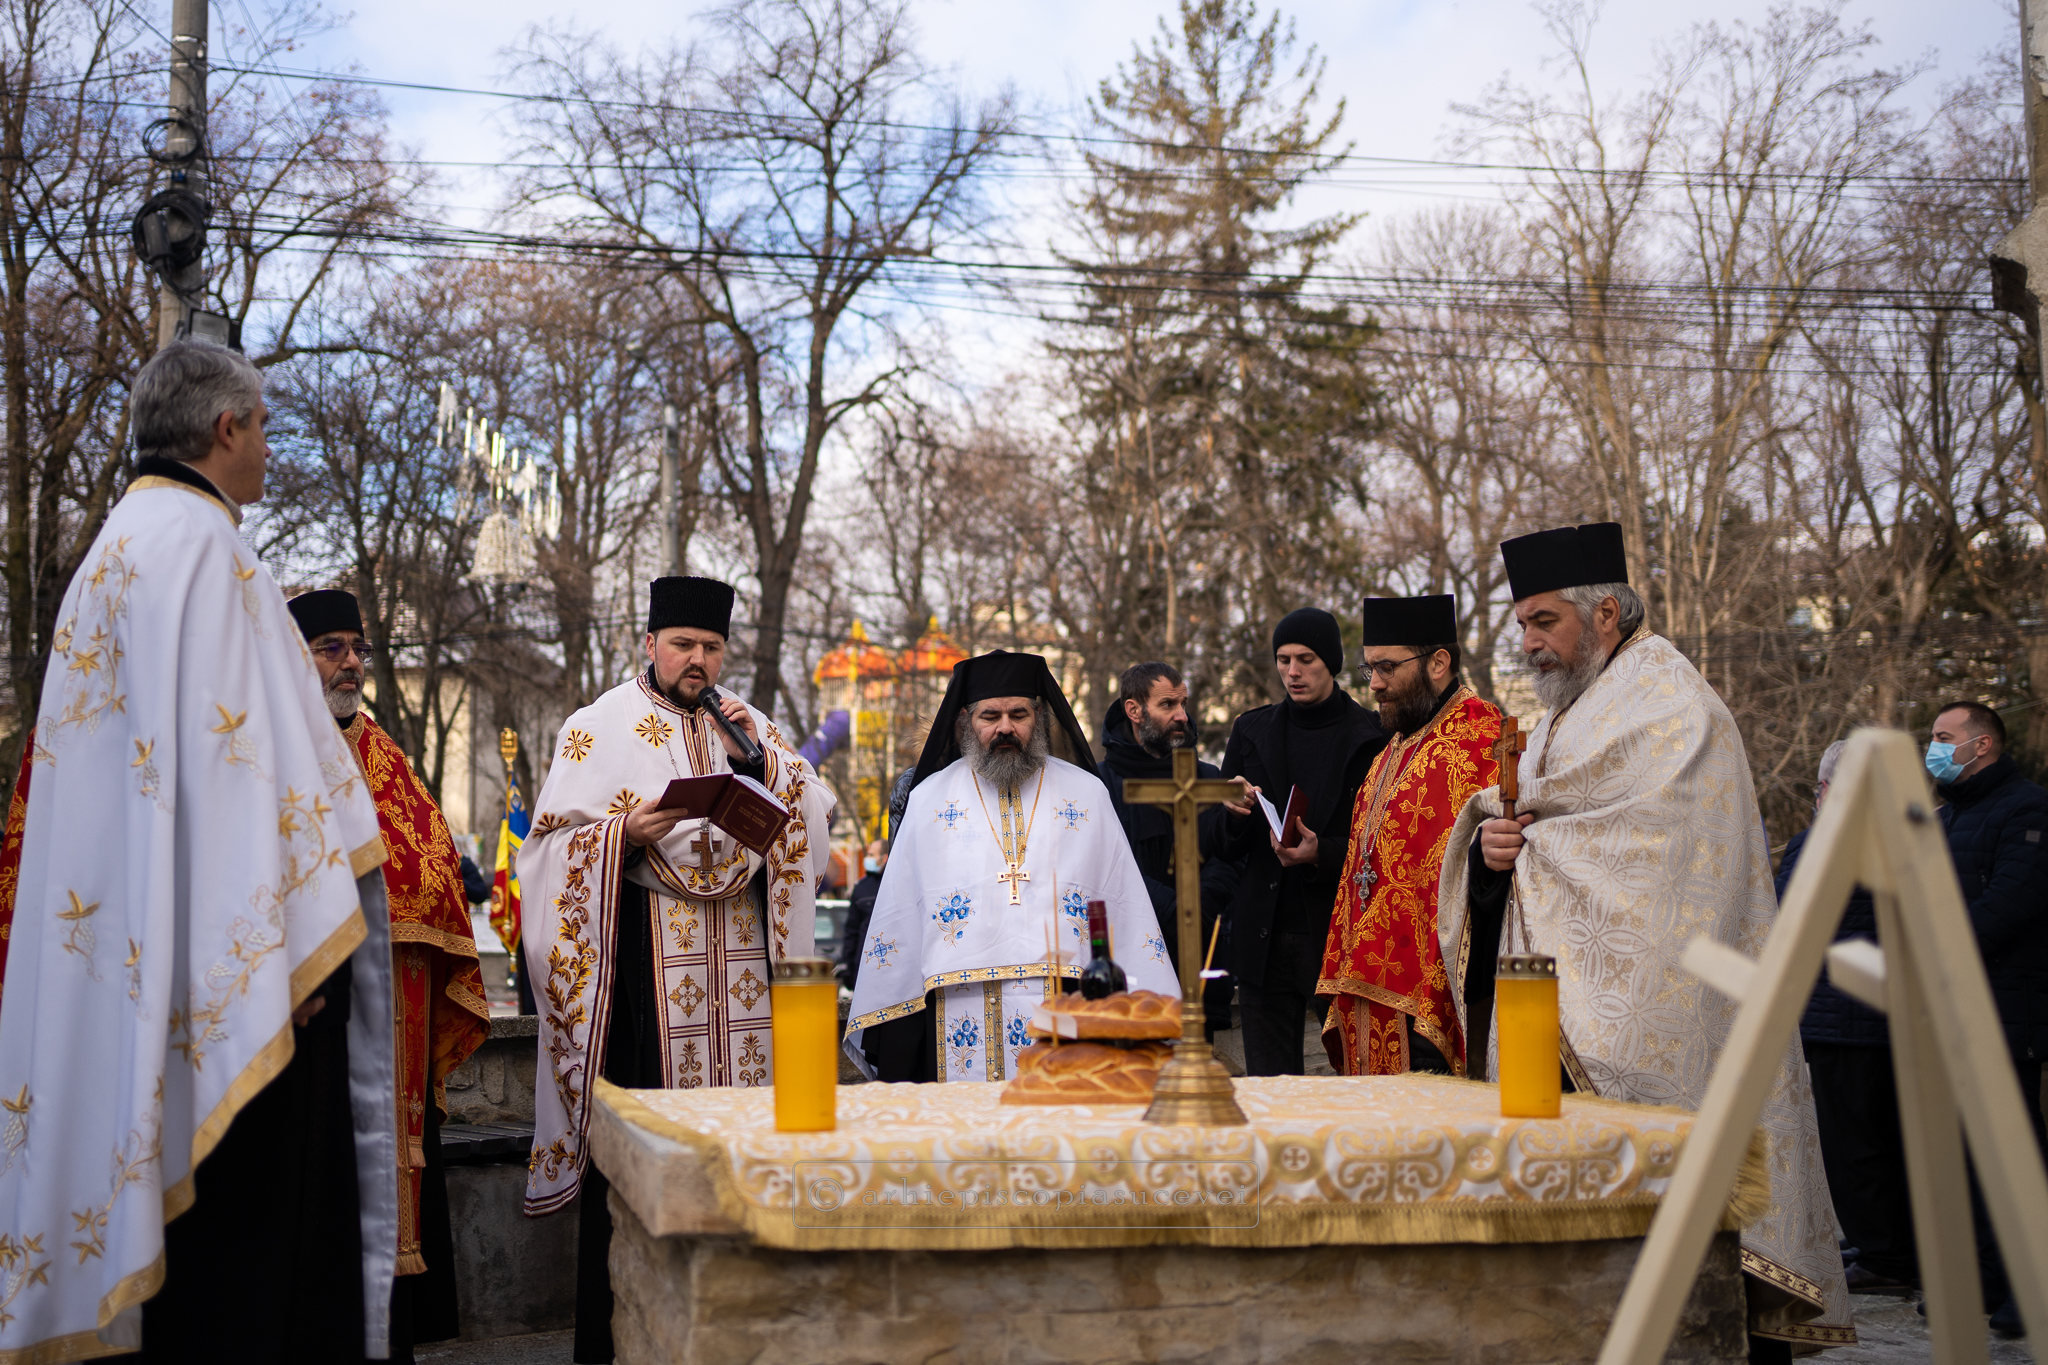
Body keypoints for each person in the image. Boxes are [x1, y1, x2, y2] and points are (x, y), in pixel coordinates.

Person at [0, 339, 398, 1362]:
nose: (267, 447)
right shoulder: (211, 553)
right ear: (226, 429)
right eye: (262, 425)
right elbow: (237, 776)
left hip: (140, 964)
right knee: (252, 1266)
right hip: (247, 992)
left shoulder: (116, 549)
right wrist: (276, 955)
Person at [1437, 522, 1850, 1352]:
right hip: (1553, 1020)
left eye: (1543, 621)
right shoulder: (1558, 719)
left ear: (1604, 616)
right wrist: (1489, 847)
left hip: (1665, 1024)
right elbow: (1532, 826)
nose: (1528, 644)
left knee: (1696, 1261)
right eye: (1520, 624)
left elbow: (1661, 860)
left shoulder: (1675, 707)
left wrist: (1532, 838)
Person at [517, 574, 834, 1364]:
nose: (698, 660)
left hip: (748, 984)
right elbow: (549, 854)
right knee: (647, 1161)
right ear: (650, 643)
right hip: (643, 991)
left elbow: (812, 821)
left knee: (751, 1140)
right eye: (684, 644)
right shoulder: (597, 728)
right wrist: (624, 832)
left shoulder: (748, 724)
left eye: (711, 647)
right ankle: (635, 1336)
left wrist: (762, 767)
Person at [287, 588, 492, 1359]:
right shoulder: (273, 746)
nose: (350, 664)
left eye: (358, 648)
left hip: (393, 1010)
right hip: (306, 1012)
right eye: (330, 647)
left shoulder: (384, 753)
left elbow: (433, 861)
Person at [847, 651, 1176, 1082]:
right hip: (953, 1006)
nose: (1005, 727)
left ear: (1038, 718)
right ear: (966, 721)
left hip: (1067, 1006)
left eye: (1018, 714)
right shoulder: (929, 800)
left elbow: (1121, 901)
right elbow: (900, 910)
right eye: (990, 716)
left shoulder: (1086, 794)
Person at [1318, 594, 1499, 1077]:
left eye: (1387, 667)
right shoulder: (1391, 750)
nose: (1374, 683)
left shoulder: (1484, 740)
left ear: (1438, 662)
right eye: (1368, 668)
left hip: (1431, 1005)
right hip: (1366, 992)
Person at [1216, 608, 1388, 1076]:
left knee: (1356, 1081)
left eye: (1306, 659)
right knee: (1269, 1091)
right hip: (1262, 940)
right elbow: (1225, 847)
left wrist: (1322, 853)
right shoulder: (1250, 731)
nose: (1292, 671)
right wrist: (1232, 815)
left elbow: (1382, 843)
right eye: (1283, 659)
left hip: (1336, 936)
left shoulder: (1371, 737)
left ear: (1330, 662)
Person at [1925, 701, 2048, 1337]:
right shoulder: (1946, 818)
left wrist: (1932, 940)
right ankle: (1984, 1277)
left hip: (2007, 1003)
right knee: (1966, 1150)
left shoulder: (2028, 809)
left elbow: (2012, 902)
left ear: (1982, 746)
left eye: (1944, 737)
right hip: (1951, 1005)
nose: (1934, 746)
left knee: (2011, 1148)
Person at [1778, 741, 1915, 1298]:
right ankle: (1886, 1243)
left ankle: (1884, 1255)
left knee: (1851, 1139)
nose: (1817, 797)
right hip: (1887, 1009)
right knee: (1884, 1135)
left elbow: (1789, 915)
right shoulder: (1903, 835)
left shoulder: (1824, 840)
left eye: (1819, 787)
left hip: (1836, 1011)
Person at [1097, 663, 1242, 1026]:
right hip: (1131, 947)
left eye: (1183, 703)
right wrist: (1171, 906)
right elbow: (1101, 861)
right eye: (1167, 705)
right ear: (1134, 710)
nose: (1181, 716)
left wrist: (1199, 901)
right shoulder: (1100, 783)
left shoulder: (1208, 778)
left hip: (1201, 944)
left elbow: (1228, 856)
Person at [838, 838, 888, 990]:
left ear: (884, 858)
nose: (868, 859)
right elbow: (851, 930)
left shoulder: (895, 884)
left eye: (872, 855)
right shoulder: (861, 888)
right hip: (865, 963)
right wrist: (847, 963)